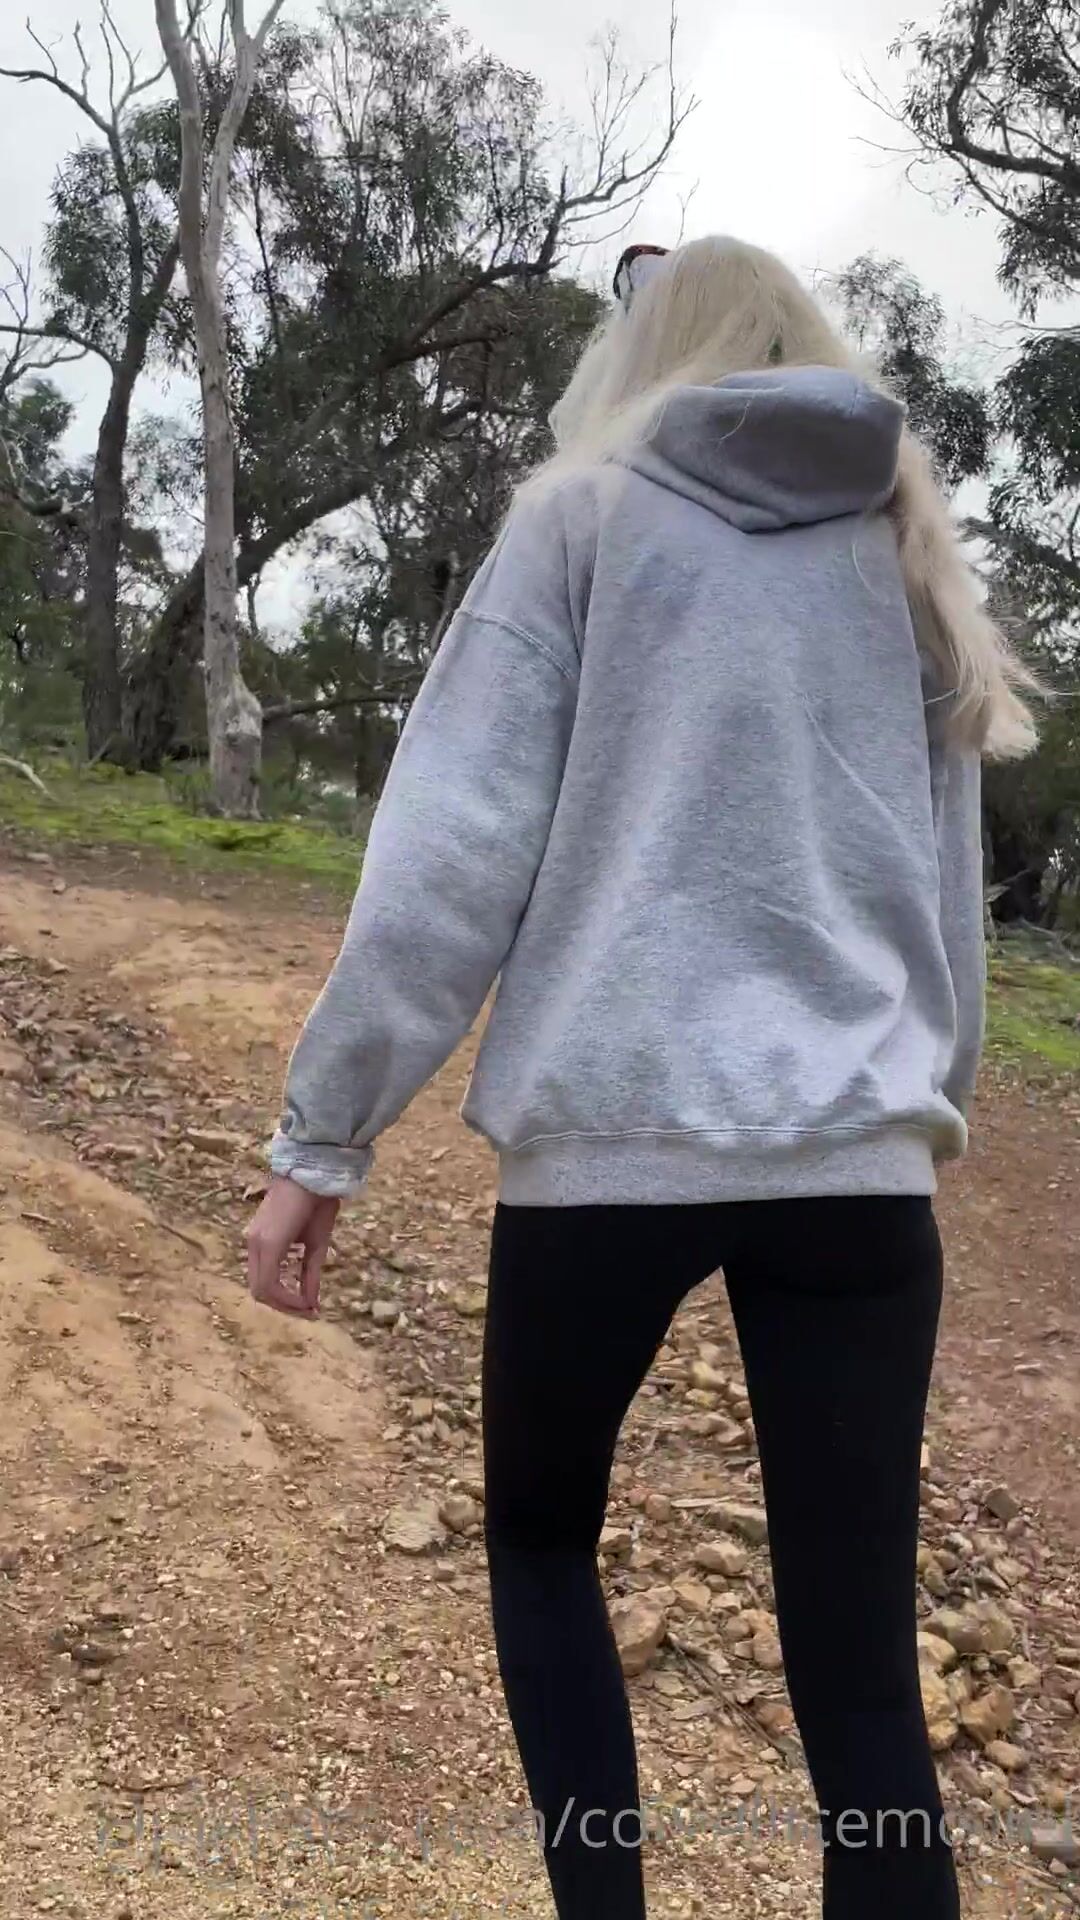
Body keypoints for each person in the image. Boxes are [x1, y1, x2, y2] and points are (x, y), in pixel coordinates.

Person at [245, 235, 1037, 1920]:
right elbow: (943, 888)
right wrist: (926, 1104)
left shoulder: (580, 521)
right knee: (858, 1656)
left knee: (543, 1548)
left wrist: (325, 1140)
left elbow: (451, 855)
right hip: (857, 1165)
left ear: (642, 351)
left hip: (608, 1150)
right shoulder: (900, 549)